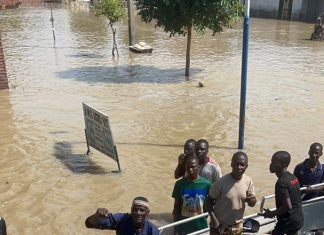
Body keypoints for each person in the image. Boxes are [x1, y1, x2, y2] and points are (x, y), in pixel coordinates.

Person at [206, 151, 256, 235]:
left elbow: (252, 203)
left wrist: (251, 200)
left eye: (242, 165)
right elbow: (208, 202)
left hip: (237, 227)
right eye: (236, 164)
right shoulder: (221, 182)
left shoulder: (248, 181)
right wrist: (214, 221)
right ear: (231, 164)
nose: (239, 167)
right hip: (219, 226)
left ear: (246, 166)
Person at [262, 151, 304, 235]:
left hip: (288, 222)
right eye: (271, 161)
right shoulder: (293, 177)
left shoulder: (281, 183)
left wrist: (271, 213)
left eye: (274, 162)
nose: (270, 164)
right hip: (299, 219)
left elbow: (288, 206)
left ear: (283, 164)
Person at [172, 155, 211, 235]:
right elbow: (176, 207)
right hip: (184, 226)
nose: (190, 169)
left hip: (201, 226)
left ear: (198, 167)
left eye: (193, 167)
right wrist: (176, 227)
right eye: (188, 167)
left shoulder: (207, 184)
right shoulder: (179, 184)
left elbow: (211, 204)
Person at [85, 196, 159, 235]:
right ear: (131, 210)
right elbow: (89, 224)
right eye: (135, 210)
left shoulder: (152, 230)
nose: (138, 213)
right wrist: (96, 215)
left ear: (147, 212)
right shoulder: (121, 220)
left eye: (142, 210)